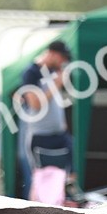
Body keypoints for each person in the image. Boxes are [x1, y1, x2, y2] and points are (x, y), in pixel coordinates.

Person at [18, 40, 73, 200]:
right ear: (52, 53)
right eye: (62, 57)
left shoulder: (53, 71)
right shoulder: (32, 72)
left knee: (61, 179)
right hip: (40, 136)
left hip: (59, 135)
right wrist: (56, 84)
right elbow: (35, 104)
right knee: (39, 180)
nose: (63, 62)